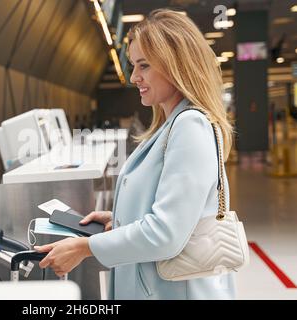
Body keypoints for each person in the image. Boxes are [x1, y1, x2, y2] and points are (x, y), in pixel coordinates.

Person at [35, 9, 235, 300]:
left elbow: (166, 234)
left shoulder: (190, 126)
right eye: (133, 65)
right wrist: (119, 218)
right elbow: (171, 211)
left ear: (175, 65)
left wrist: (85, 248)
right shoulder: (170, 126)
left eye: (144, 66)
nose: (134, 77)